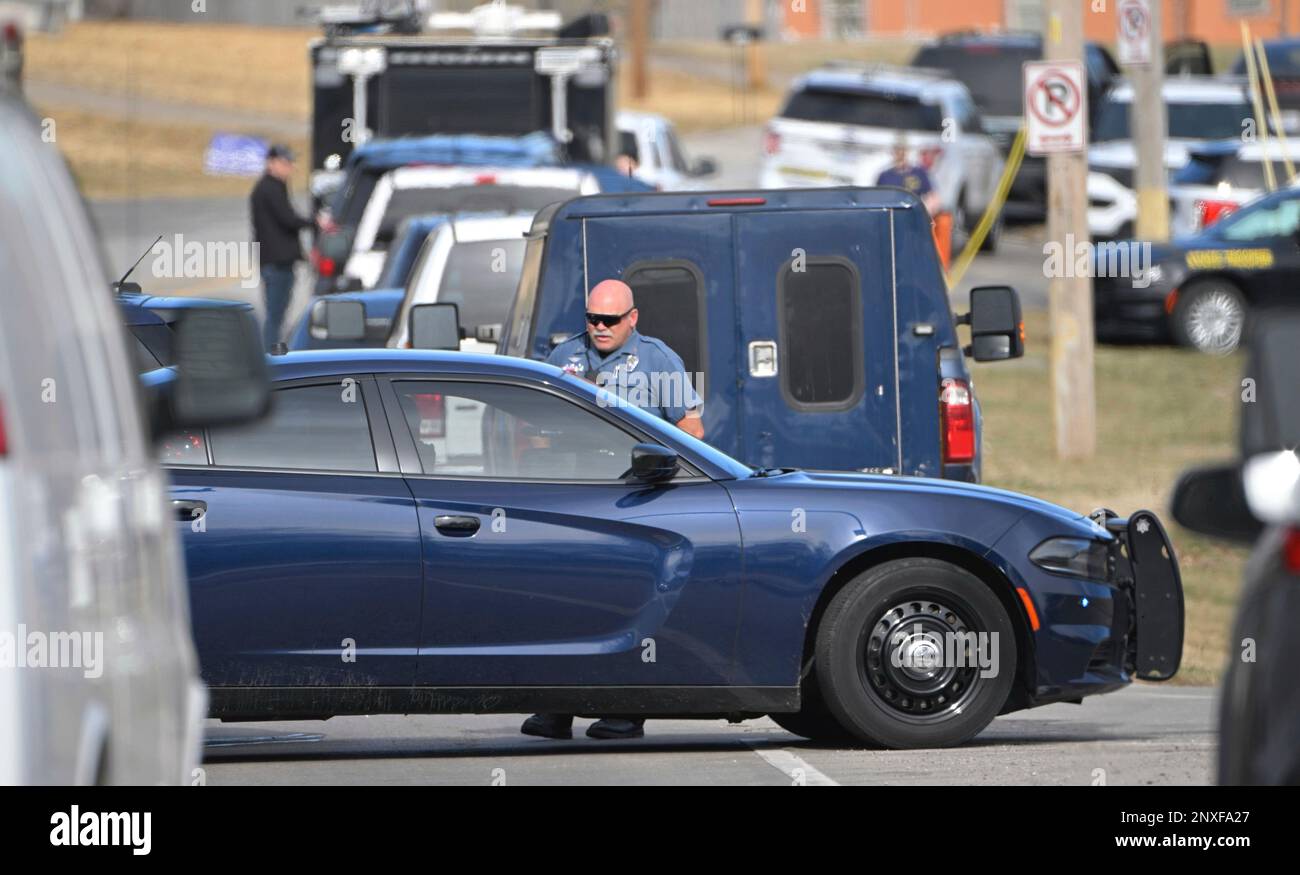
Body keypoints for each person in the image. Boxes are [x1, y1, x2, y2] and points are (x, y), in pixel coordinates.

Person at [520, 279, 703, 742]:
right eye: (592, 318)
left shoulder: (659, 360)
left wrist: (661, 472)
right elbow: (533, 428)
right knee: (562, 604)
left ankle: (624, 709)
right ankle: (557, 707)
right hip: (573, 501)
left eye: (610, 320)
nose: (599, 328)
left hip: (634, 502)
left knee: (620, 605)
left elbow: (691, 431)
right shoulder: (565, 358)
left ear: (633, 318)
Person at [250, 144, 312, 350]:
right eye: (285, 163)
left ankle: (273, 353)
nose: (289, 168)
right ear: (272, 163)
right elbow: (288, 219)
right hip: (276, 263)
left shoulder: (275, 187)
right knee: (275, 317)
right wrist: (314, 222)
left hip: (281, 262)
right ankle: (271, 357)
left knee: (278, 315)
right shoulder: (269, 188)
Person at [876, 136, 942, 216]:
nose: (900, 153)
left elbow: (933, 197)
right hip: (891, 216)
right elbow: (877, 201)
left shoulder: (919, 173)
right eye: (897, 150)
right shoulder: (884, 176)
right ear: (892, 152)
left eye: (903, 150)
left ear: (907, 151)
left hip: (914, 216)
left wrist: (927, 210)